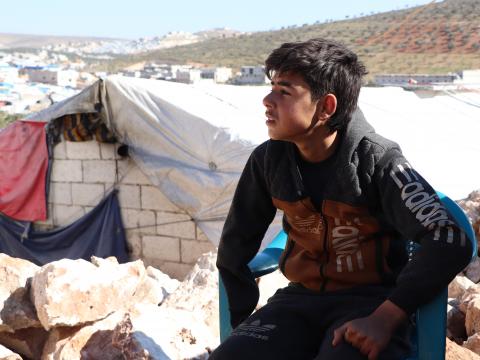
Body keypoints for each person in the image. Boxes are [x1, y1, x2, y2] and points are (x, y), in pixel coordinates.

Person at [210, 38, 471, 360]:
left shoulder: (378, 161)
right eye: (271, 87)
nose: (267, 99)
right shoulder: (268, 161)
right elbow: (236, 244)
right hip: (298, 302)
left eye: (284, 91)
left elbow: (449, 238)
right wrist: (241, 327)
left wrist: (387, 317)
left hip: (369, 305)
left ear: (326, 107)